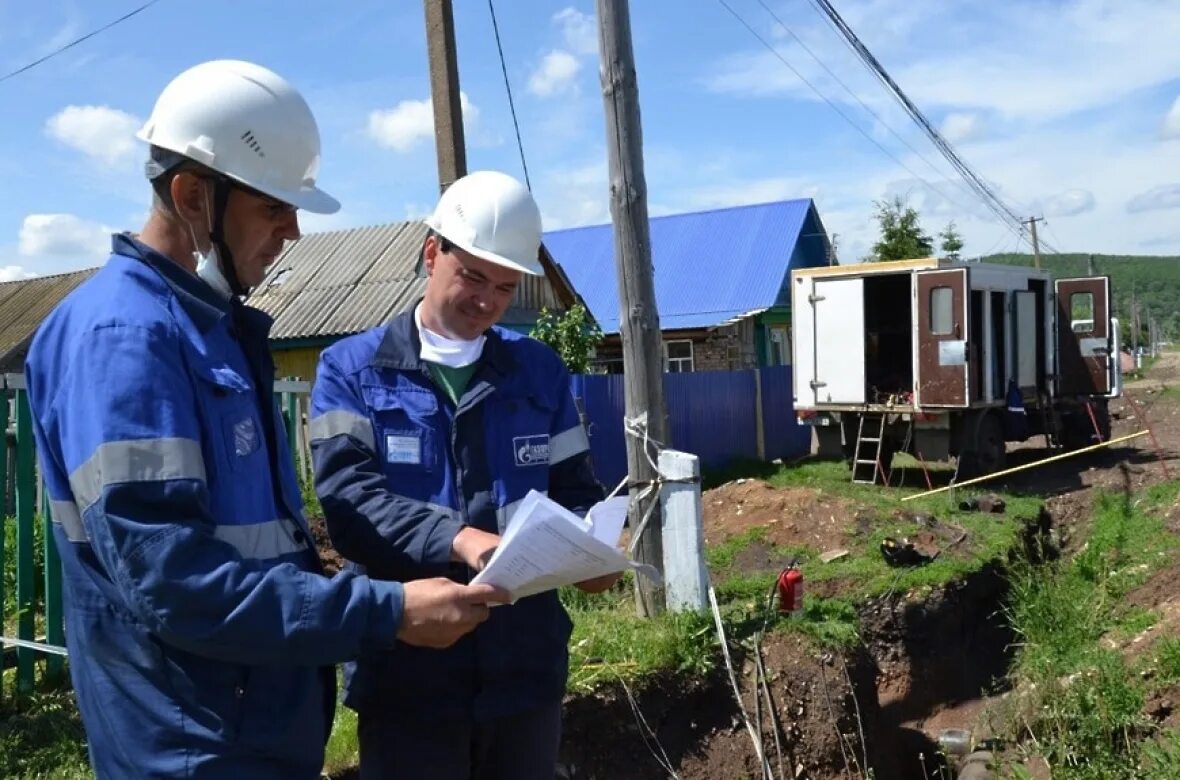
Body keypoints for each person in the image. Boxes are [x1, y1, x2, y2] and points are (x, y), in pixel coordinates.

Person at [25, 60, 503, 780]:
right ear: (192, 195)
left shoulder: (205, 330)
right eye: (275, 207)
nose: (294, 231)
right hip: (192, 744)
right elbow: (173, 581)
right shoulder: (123, 337)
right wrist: (385, 611)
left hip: (242, 727)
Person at [310, 169, 619, 779]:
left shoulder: (538, 372)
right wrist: (459, 539)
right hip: (408, 681)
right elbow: (349, 502)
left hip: (524, 677)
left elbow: (577, 492)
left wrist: (594, 551)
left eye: (504, 288)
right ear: (432, 253)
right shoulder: (351, 370)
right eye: (472, 277)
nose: (486, 300)